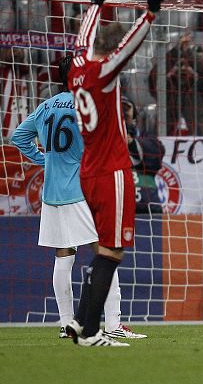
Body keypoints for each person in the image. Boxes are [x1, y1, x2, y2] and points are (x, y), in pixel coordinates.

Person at [10, 55, 146, 341]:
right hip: (81, 191)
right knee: (107, 252)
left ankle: (64, 323)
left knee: (63, 256)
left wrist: (44, 160)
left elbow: (18, 137)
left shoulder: (46, 106)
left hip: (52, 193)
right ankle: (112, 323)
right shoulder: (86, 106)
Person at [63, 0, 165, 347]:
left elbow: (83, 34)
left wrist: (95, 2)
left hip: (89, 170)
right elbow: (128, 49)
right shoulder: (104, 72)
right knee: (112, 251)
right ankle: (91, 332)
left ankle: (79, 322)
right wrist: (150, 13)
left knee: (102, 250)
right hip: (113, 171)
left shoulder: (77, 65)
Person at [148, 33, 203, 136]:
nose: (185, 67)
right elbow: (153, 78)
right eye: (181, 64)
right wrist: (176, 52)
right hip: (166, 144)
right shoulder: (166, 87)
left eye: (190, 64)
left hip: (199, 146)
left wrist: (188, 54)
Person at [123, 96, 165, 214]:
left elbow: (157, 157)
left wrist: (131, 142)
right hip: (117, 205)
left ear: (135, 117)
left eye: (126, 108)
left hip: (147, 207)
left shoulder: (147, 138)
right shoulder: (105, 141)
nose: (122, 112)